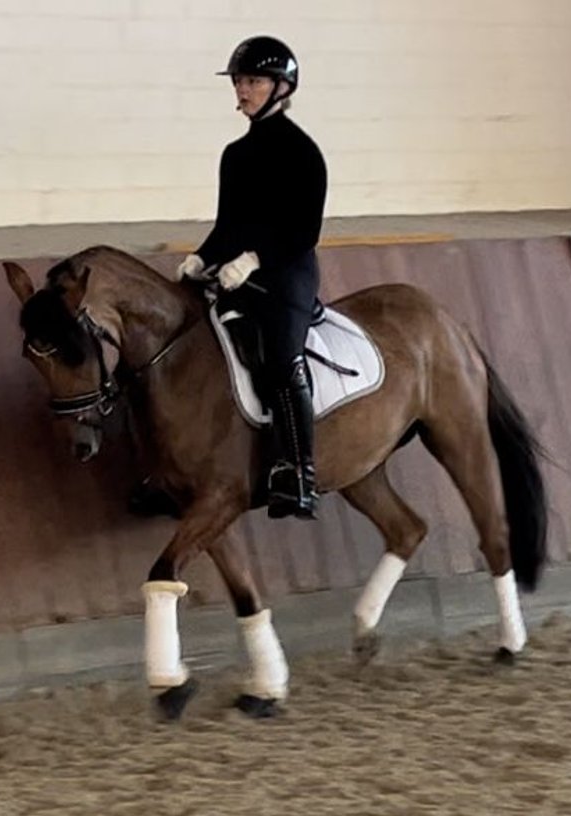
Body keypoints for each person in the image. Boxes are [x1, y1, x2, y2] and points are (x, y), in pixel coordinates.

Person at [177, 35, 328, 520]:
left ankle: (299, 472)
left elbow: (304, 230)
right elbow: (228, 226)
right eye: (240, 81)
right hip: (237, 273)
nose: (243, 89)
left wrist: (254, 259)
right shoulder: (234, 155)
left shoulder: (302, 154)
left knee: (281, 360)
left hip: (286, 275)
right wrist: (201, 259)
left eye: (254, 81)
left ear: (282, 87)